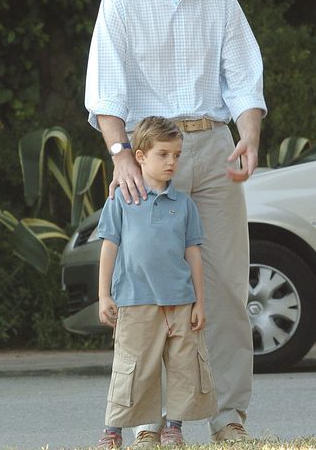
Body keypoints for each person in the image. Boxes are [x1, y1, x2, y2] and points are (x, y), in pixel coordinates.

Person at [85, 0, 266, 442]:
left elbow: (244, 81)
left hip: (211, 150)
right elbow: (105, 91)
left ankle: (229, 417)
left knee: (228, 289)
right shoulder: (120, 1)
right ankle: (147, 423)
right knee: (145, 294)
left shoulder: (222, 1)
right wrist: (121, 157)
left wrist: (250, 136)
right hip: (145, 155)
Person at [96, 117, 217, 449]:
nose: (171, 162)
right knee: (131, 369)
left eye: (177, 155)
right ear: (140, 156)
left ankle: (173, 428)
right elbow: (109, 247)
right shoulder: (121, 200)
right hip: (134, 300)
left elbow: (193, 255)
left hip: (179, 302)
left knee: (182, 368)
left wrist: (200, 303)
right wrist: (103, 295)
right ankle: (112, 431)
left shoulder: (185, 205)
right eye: (163, 154)